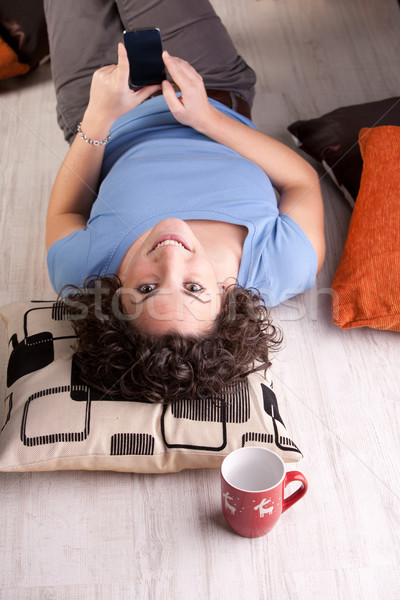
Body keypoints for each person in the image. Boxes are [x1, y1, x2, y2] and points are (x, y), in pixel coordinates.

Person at [44, 0, 325, 403]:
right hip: (208, 87)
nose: (171, 257)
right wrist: (206, 117)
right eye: (193, 287)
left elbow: (66, 210)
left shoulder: (82, 274)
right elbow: (302, 180)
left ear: (114, 297)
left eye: (146, 287)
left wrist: (98, 116)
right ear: (227, 303)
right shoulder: (283, 262)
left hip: (98, 114)